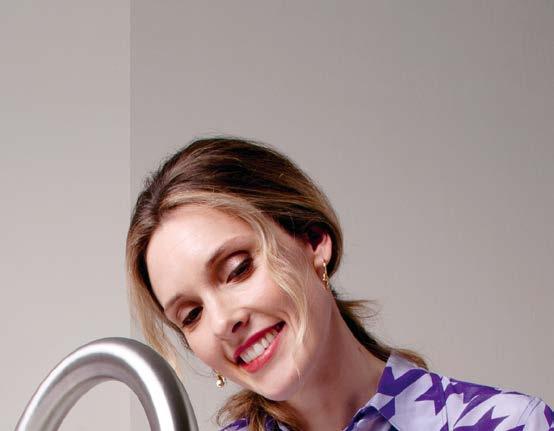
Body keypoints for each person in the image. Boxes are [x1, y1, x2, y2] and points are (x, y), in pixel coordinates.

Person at [126, 137, 552, 431]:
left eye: (238, 269)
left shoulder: (512, 424)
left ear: (314, 241)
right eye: (192, 314)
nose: (222, 322)